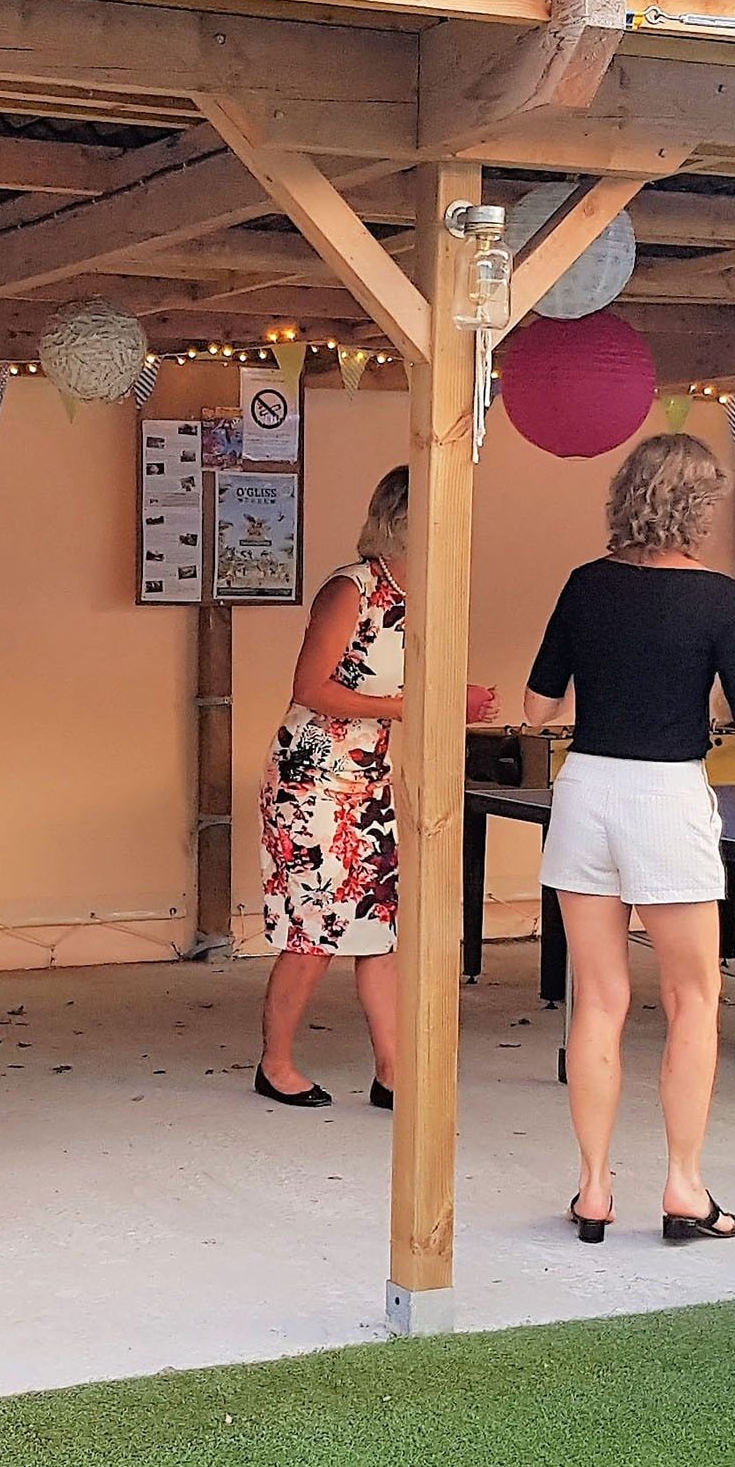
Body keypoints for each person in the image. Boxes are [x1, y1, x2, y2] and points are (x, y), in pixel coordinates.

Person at [522, 433, 735, 1246]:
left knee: (599, 999)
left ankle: (594, 1190)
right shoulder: (720, 599)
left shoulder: (585, 584)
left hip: (586, 791)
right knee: (693, 998)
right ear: (700, 508)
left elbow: (537, 709)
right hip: (665, 798)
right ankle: (685, 1189)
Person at [253, 465, 497, 1109]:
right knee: (314, 931)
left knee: (379, 929)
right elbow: (311, 688)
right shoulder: (351, 589)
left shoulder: (426, 596)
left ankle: (393, 1071)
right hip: (312, 781)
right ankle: (276, 1063)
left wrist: (455, 701)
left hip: (370, 782)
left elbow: (409, 691)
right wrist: (426, 704)